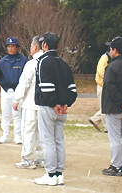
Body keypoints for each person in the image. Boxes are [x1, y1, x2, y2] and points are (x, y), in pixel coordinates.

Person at [34, 32, 77, 186]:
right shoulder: (64, 63)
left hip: (49, 107)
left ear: (44, 45)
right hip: (62, 109)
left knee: (48, 141)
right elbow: (72, 89)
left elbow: (45, 87)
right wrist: (66, 103)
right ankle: (59, 174)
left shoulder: (43, 61)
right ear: (58, 45)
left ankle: (50, 174)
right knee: (59, 140)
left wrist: (54, 104)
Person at [13, 36, 45, 169]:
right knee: (42, 132)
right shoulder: (47, 62)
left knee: (28, 131)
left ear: (35, 47)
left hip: (31, 104)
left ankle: (27, 159)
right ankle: (42, 158)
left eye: (31, 46)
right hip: (44, 104)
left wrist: (16, 99)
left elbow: (24, 83)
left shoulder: (31, 64)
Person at [101, 37, 122, 176]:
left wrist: (121, 102)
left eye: (111, 48)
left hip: (114, 108)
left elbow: (110, 87)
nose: (110, 51)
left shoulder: (111, 67)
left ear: (116, 50)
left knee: (115, 138)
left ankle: (116, 165)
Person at [0, 37, 28, 144]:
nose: (10, 49)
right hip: (5, 90)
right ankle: (4, 135)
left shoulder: (24, 60)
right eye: (8, 46)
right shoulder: (2, 61)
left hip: (17, 91)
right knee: (5, 114)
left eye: (12, 46)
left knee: (17, 114)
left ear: (17, 47)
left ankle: (17, 136)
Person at [89, 49, 111, 133]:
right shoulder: (105, 58)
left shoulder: (107, 58)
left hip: (104, 85)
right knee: (105, 107)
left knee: (105, 106)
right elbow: (102, 72)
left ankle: (94, 119)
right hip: (102, 85)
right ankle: (106, 127)